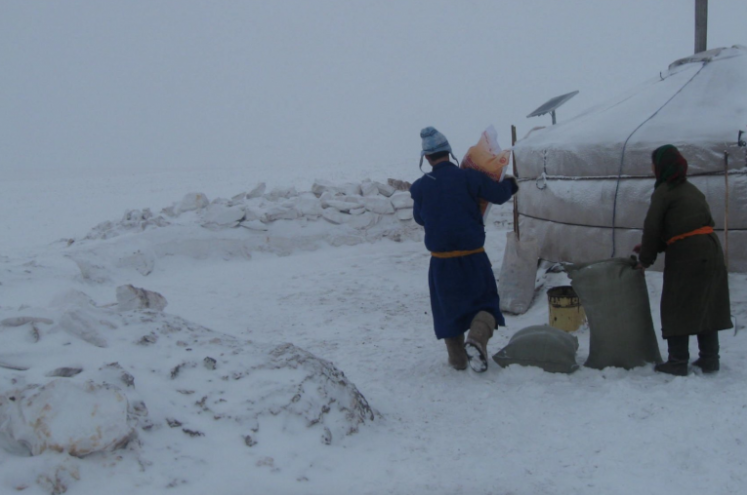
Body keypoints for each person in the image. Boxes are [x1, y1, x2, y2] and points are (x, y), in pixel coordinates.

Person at [409, 127, 518, 372]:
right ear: (449, 152)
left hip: (441, 262)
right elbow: (499, 195)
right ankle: (477, 341)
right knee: (487, 303)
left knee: (449, 311)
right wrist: (511, 183)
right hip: (473, 259)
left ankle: (457, 361)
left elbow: (420, 219)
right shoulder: (469, 178)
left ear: (426, 158)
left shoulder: (421, 187)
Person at [635, 144, 732, 376]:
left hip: (688, 255)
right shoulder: (692, 189)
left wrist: (645, 259)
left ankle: (678, 362)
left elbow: (652, 228)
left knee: (676, 303)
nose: (651, 168)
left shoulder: (664, 192)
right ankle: (710, 359)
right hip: (710, 249)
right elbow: (691, 224)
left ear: (661, 167)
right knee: (706, 302)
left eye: (653, 163)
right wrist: (658, 245)